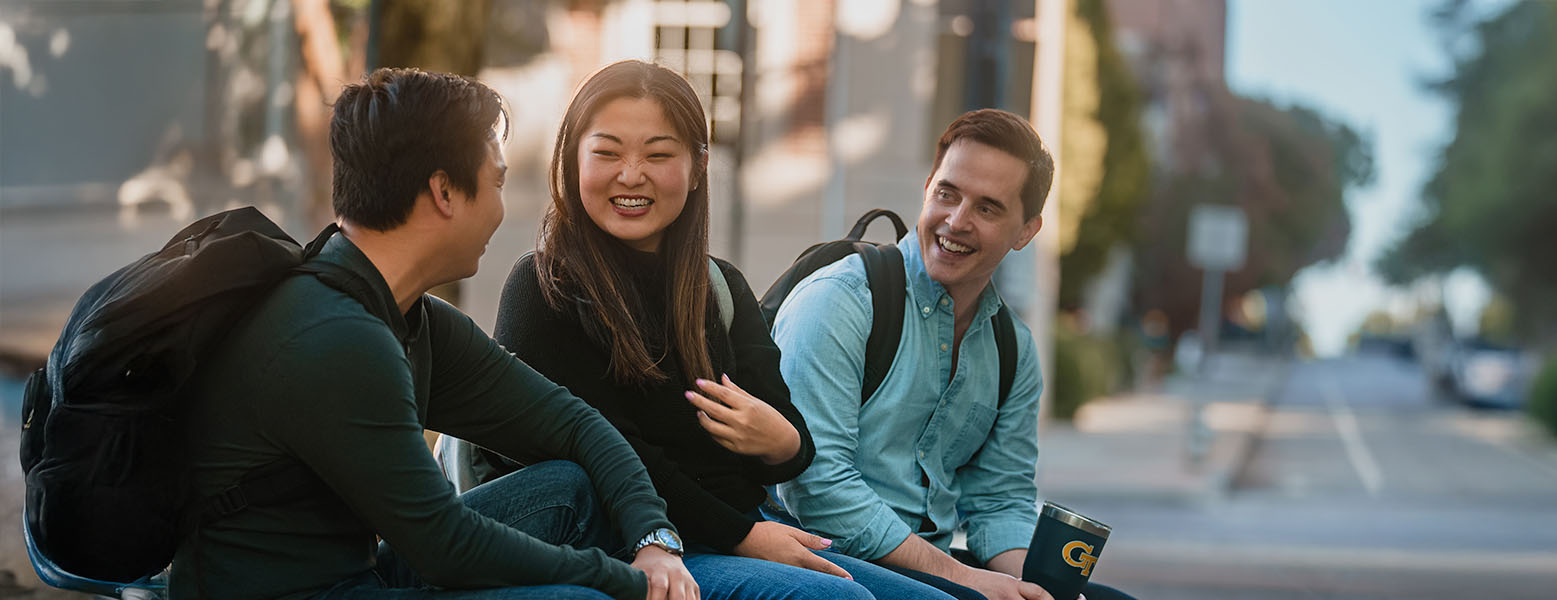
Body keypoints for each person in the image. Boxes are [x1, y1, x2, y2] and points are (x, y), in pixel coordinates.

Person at [170, 67, 696, 600]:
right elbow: (444, 546)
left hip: (359, 575)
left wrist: (654, 538)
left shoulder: (405, 314)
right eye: (496, 182)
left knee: (568, 488)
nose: (501, 209)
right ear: (444, 191)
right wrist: (624, 582)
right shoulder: (335, 337)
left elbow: (574, 424)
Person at [491, 60, 872, 600]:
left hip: (747, 528)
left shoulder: (719, 285)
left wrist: (780, 439)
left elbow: (794, 442)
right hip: (631, 548)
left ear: (697, 167)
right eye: (607, 152)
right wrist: (741, 536)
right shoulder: (543, 287)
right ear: (572, 159)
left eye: (658, 153)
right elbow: (614, 453)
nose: (630, 174)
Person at [771, 109, 1134, 600]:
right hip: (820, 555)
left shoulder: (1013, 351)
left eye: (987, 208)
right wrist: (964, 577)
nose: (956, 221)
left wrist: (1037, 589)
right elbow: (817, 489)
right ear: (927, 189)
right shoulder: (840, 300)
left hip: (930, 563)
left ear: (1026, 231)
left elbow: (1000, 500)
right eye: (947, 194)